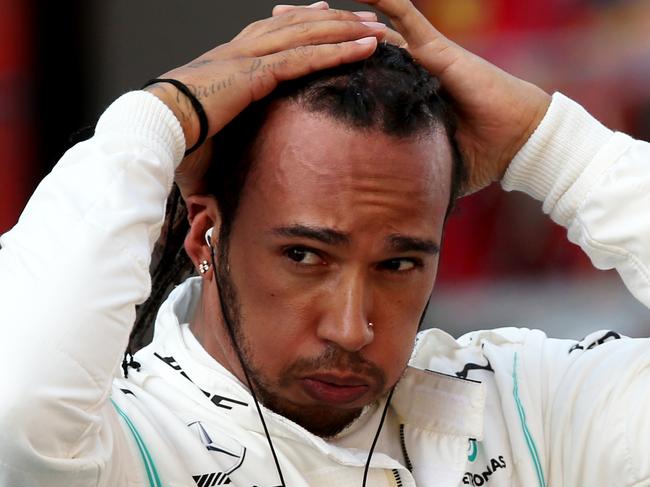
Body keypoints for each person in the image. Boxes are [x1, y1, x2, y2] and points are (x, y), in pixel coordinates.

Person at [0, 0, 648, 486]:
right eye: (305, 255)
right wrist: (153, 121)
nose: (351, 328)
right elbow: (16, 407)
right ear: (206, 233)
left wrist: (553, 149)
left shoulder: (527, 410)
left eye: (398, 262)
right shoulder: (118, 444)